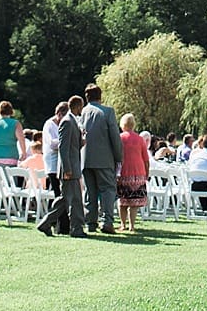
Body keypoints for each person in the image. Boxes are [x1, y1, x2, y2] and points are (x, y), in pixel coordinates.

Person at [38, 96, 87, 238]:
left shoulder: (72, 121)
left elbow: (72, 146)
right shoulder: (67, 122)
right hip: (69, 168)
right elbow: (63, 147)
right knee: (73, 200)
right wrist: (67, 169)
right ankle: (76, 228)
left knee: (66, 199)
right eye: (81, 106)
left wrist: (82, 140)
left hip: (72, 166)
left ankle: (48, 223)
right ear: (77, 106)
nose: (82, 109)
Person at [79, 83, 123, 234]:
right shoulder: (108, 112)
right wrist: (118, 157)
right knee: (108, 190)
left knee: (90, 192)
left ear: (87, 97)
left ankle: (91, 222)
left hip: (86, 159)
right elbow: (115, 137)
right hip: (104, 158)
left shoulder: (82, 113)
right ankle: (107, 221)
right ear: (100, 96)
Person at [116, 113, 150, 234]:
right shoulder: (140, 139)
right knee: (134, 203)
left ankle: (123, 224)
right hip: (138, 172)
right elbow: (146, 159)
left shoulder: (119, 138)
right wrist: (147, 173)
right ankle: (132, 225)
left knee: (122, 201)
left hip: (123, 172)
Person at [41, 101, 72, 235]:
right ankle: (58, 225)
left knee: (61, 196)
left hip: (62, 163)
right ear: (59, 114)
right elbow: (52, 144)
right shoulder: (49, 124)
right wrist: (67, 141)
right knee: (59, 196)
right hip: (53, 165)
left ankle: (59, 225)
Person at [0, 102, 24, 167]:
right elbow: (21, 139)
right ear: (11, 111)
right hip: (10, 157)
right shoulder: (15, 124)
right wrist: (23, 153)